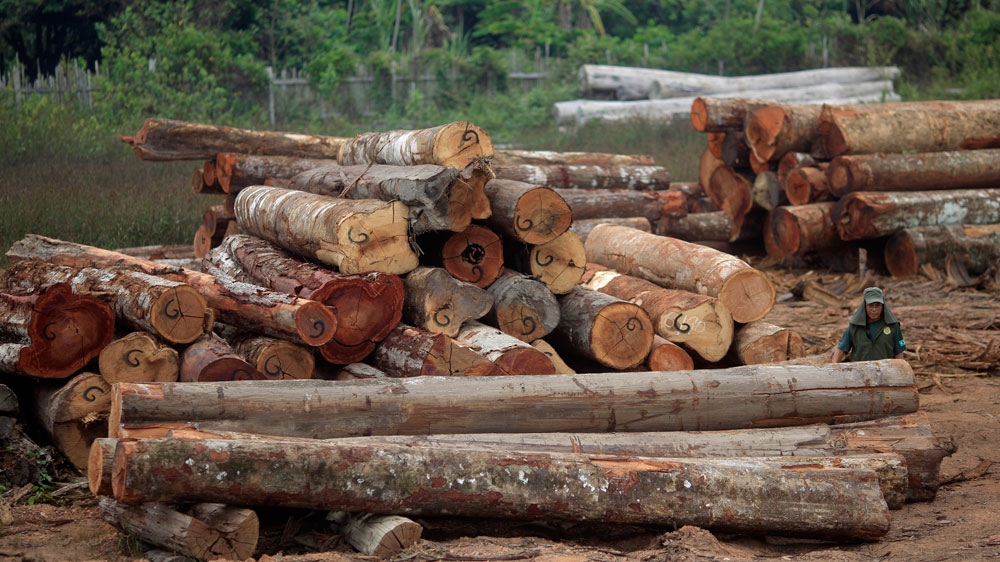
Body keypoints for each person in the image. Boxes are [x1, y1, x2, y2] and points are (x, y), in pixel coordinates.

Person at [830, 286, 906, 363]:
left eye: (877, 305)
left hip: (885, 371)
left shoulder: (892, 326)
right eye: (870, 305)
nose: (874, 310)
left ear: (883, 306)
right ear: (864, 306)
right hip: (860, 371)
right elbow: (841, 349)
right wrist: (833, 367)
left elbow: (899, 353)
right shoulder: (855, 326)